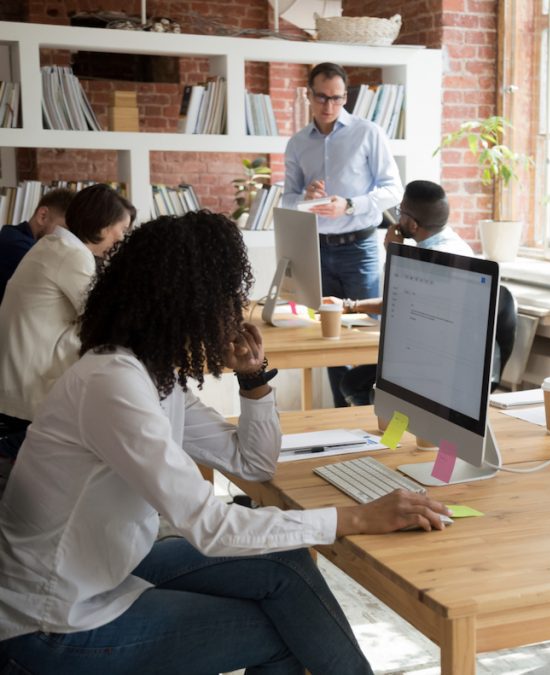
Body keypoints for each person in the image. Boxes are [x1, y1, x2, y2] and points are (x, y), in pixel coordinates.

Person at [0, 211, 450, 674]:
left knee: (286, 563)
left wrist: (253, 379)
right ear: (186, 303)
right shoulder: (113, 383)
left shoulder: (153, 375)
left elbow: (252, 465)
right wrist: (356, 516)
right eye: (227, 297)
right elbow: (210, 526)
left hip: (104, 571)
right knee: (281, 631)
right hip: (52, 620)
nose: (234, 311)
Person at [282, 61, 403, 407]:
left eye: (336, 98)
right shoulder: (296, 144)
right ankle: (341, 415)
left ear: (345, 96)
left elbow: (393, 190)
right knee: (328, 338)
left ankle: (375, 413)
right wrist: (305, 198)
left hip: (359, 247)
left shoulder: (368, 133)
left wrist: (348, 204)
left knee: (370, 334)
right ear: (309, 95)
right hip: (316, 250)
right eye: (321, 97)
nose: (329, 106)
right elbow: (287, 199)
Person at [0, 184, 135, 463]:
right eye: (122, 229)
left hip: (18, 382)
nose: (122, 237)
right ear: (102, 225)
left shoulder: (55, 246)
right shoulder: (71, 255)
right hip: (28, 394)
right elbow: (105, 320)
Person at [332, 180, 474, 406]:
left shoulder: (431, 260)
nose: (397, 218)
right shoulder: (455, 244)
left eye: (400, 212)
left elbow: (400, 306)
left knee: (355, 384)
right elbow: (400, 300)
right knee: (355, 380)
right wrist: (350, 304)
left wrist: (395, 255)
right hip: (451, 359)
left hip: (433, 363)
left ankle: (389, 432)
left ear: (413, 225)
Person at [0, 187, 74, 304]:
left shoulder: (13, 236)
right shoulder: (17, 247)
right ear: (42, 216)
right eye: (65, 231)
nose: (67, 240)